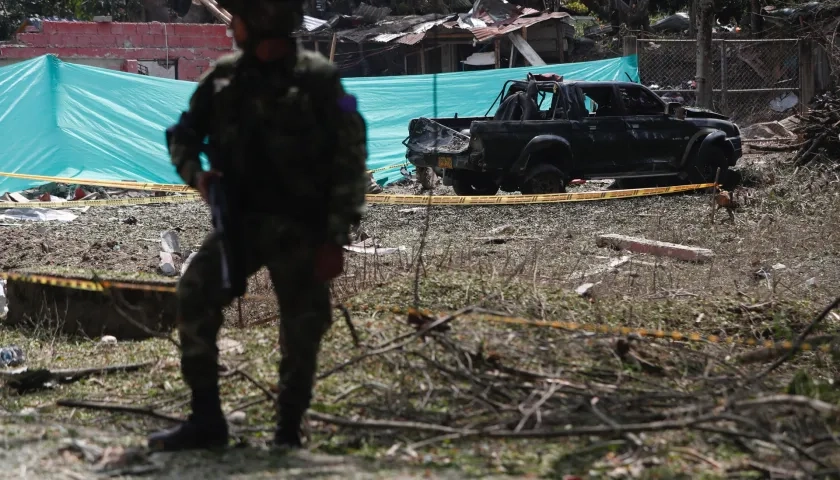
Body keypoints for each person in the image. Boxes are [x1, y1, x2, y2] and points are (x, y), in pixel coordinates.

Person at [148, 0, 368, 452]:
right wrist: (198, 177)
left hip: (304, 229)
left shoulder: (322, 81)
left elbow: (351, 156)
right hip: (241, 225)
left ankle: (289, 429)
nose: (233, 24)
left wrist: (336, 238)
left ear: (262, 21)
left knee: (303, 324)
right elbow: (182, 135)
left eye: (240, 16)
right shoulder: (225, 77)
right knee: (193, 293)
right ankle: (206, 421)